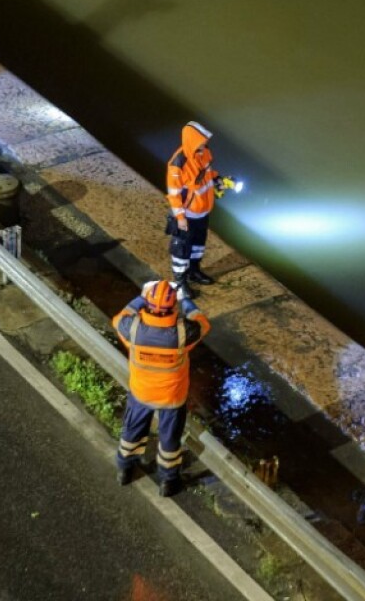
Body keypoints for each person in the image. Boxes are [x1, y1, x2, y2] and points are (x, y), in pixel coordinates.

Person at [113, 279, 211, 497]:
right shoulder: (183, 333)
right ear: (172, 307)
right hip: (172, 398)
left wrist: (140, 297)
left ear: (147, 304)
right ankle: (168, 482)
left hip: (141, 393)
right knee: (169, 440)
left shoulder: (133, 329)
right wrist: (186, 301)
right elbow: (203, 324)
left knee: (132, 432)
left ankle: (125, 470)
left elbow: (118, 319)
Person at [165, 121, 234, 298]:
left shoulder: (203, 153)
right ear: (192, 141)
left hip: (202, 211)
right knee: (181, 249)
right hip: (187, 215)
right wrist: (180, 218)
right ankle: (180, 283)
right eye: (201, 142)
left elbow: (207, 174)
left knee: (198, 245)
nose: (204, 145)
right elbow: (174, 194)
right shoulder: (178, 164)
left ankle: (194, 271)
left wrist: (219, 179)